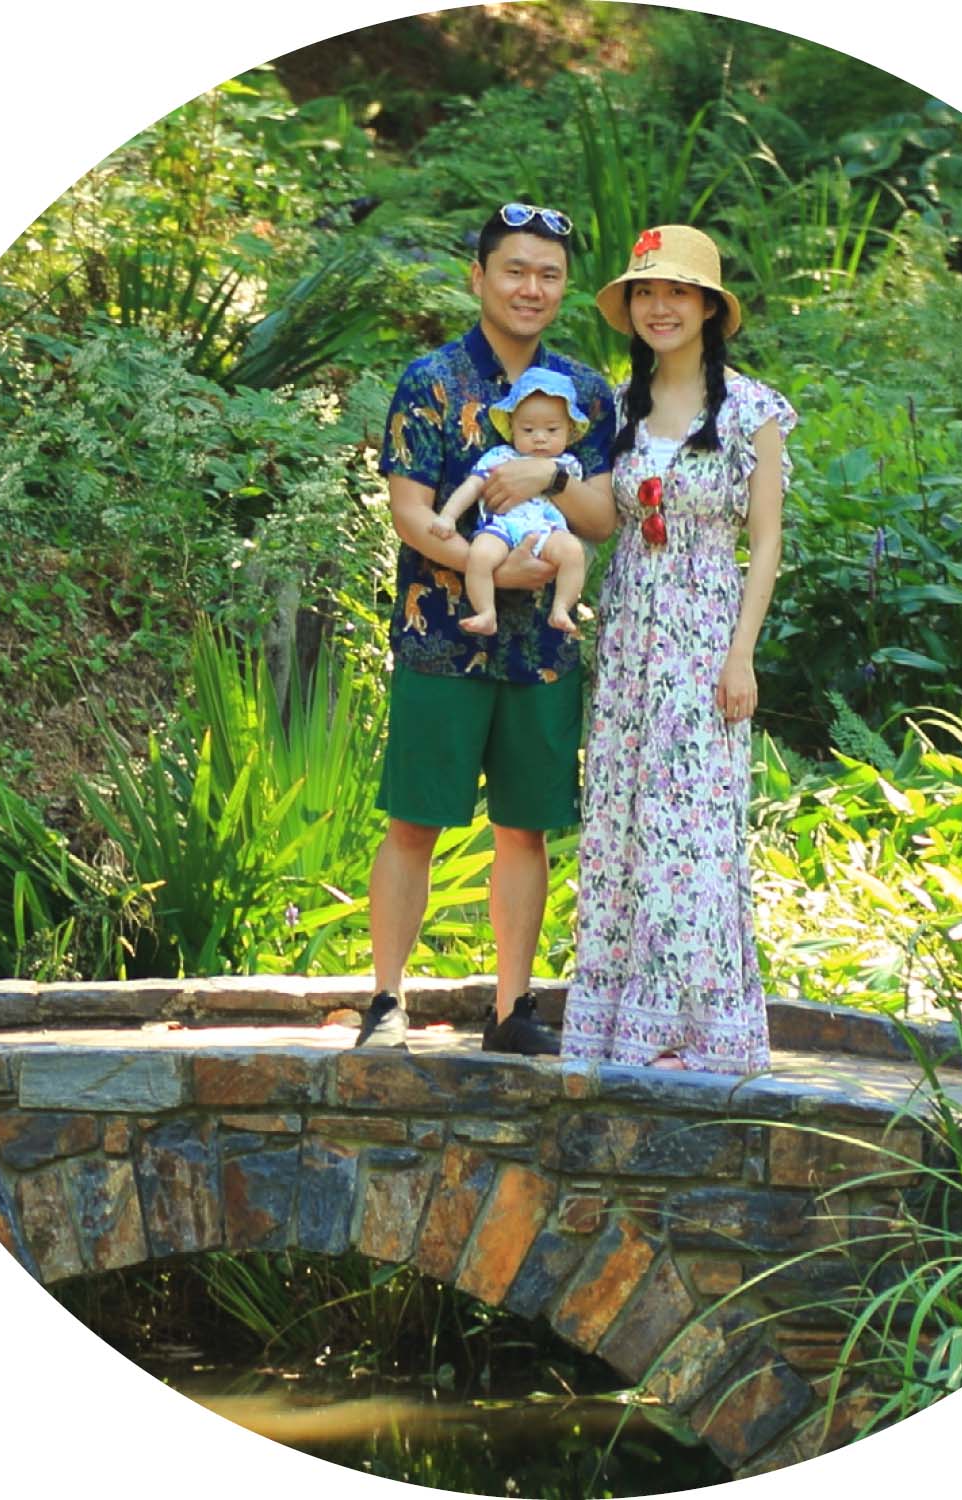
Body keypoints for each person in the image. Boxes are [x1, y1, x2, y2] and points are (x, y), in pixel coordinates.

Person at [356, 203, 617, 1054]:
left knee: (525, 827)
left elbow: (603, 515)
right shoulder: (430, 381)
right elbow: (410, 512)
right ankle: (386, 1001)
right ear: (479, 278)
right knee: (414, 820)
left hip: (544, 648)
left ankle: (512, 1011)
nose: (530, 288)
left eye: (548, 274)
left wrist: (555, 465)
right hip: (442, 634)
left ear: (564, 288)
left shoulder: (584, 392)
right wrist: (493, 566)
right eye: (514, 270)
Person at [561, 224, 796, 1075]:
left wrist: (743, 654)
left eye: (678, 293)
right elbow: (599, 518)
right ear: (630, 309)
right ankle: (625, 1021)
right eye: (645, 293)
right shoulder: (614, 410)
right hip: (628, 636)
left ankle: (694, 1031)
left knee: (694, 827)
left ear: (709, 309)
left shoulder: (753, 412)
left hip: (704, 633)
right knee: (623, 821)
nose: (660, 307)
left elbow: (765, 542)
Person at [428, 366, 590, 639]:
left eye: (552, 429)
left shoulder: (567, 465)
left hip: (548, 529)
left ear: (569, 430)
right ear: (512, 428)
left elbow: (578, 504)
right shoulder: (500, 456)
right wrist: (448, 516)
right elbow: (472, 486)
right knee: (479, 555)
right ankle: (486, 612)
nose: (540, 437)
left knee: (573, 552)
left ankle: (562, 606)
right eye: (528, 429)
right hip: (503, 526)